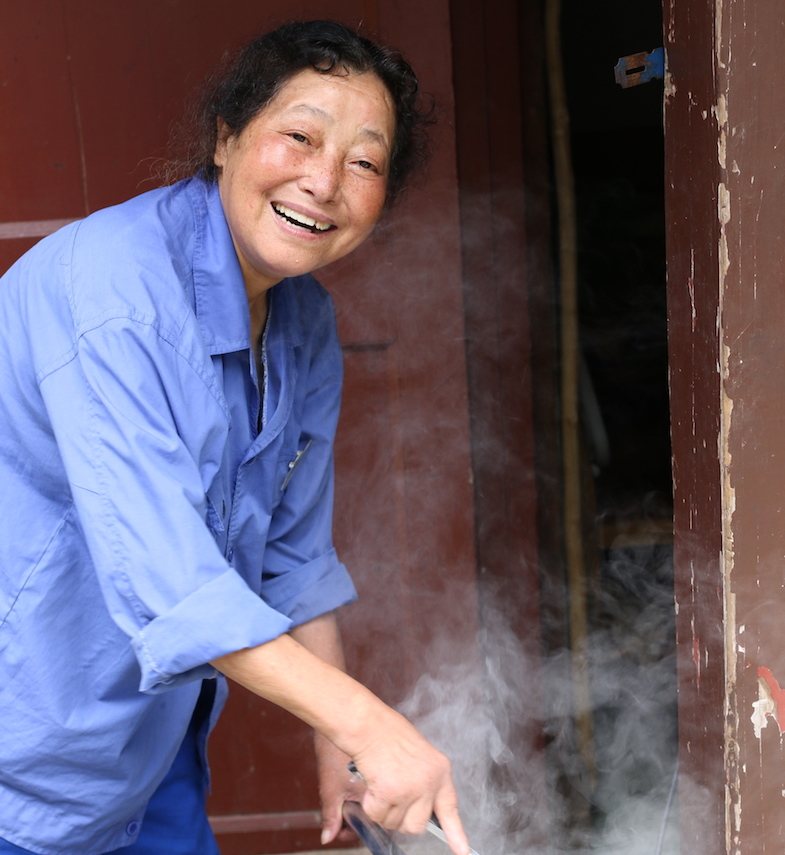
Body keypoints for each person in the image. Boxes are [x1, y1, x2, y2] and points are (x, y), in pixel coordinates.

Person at [0, 19, 471, 855]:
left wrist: (342, 743)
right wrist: (369, 720)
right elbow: (172, 585)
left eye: (363, 161)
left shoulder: (303, 319)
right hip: (26, 746)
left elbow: (294, 557)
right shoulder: (113, 290)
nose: (323, 180)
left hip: (146, 746)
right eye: (299, 136)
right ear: (226, 138)